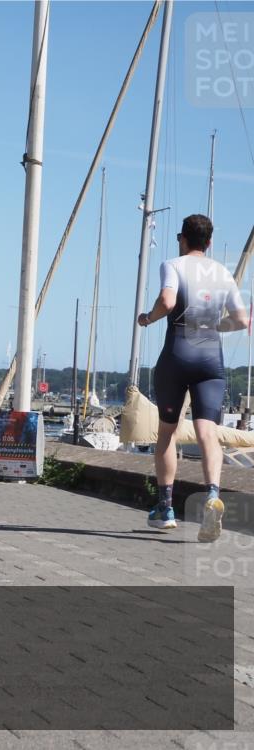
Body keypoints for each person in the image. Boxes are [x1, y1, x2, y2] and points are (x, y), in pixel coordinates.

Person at [137, 214, 247, 540]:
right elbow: (241, 319)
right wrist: (215, 327)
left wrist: (147, 318)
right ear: (209, 243)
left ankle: (165, 508)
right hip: (211, 360)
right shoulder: (223, 273)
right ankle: (212, 494)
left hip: (178, 355)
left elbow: (167, 301)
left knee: (168, 433)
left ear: (182, 239)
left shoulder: (173, 264)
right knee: (207, 433)